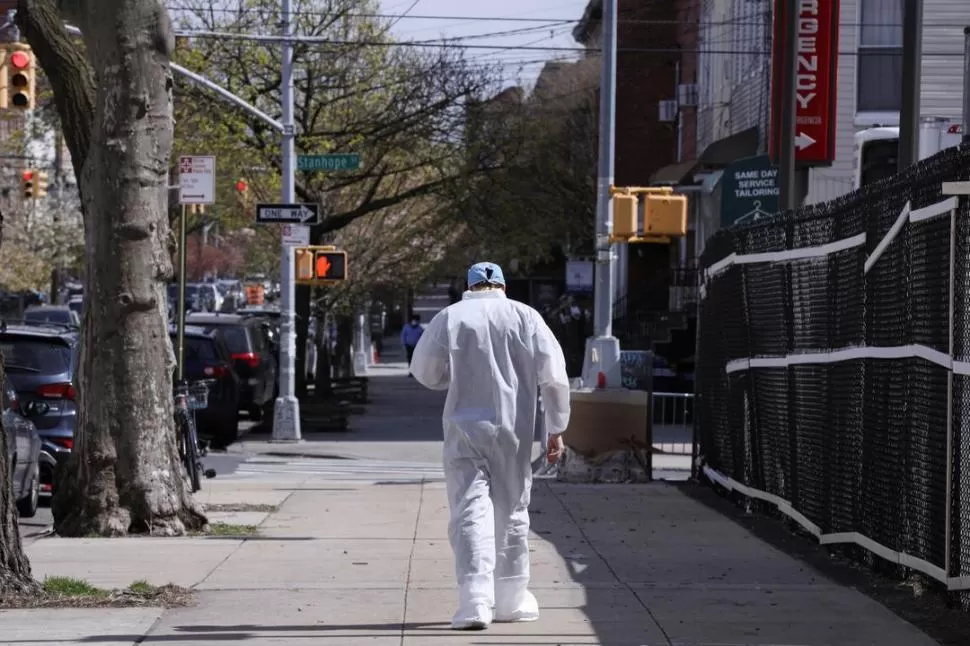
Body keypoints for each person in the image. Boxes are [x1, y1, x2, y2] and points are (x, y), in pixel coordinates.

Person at [410, 261, 571, 631]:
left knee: (468, 511)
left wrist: (455, 374)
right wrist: (555, 428)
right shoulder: (526, 317)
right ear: (502, 284)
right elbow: (555, 377)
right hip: (515, 429)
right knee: (513, 509)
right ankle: (512, 599)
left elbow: (425, 371)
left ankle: (474, 601)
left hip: (465, 427)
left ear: (467, 285)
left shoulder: (451, 318)